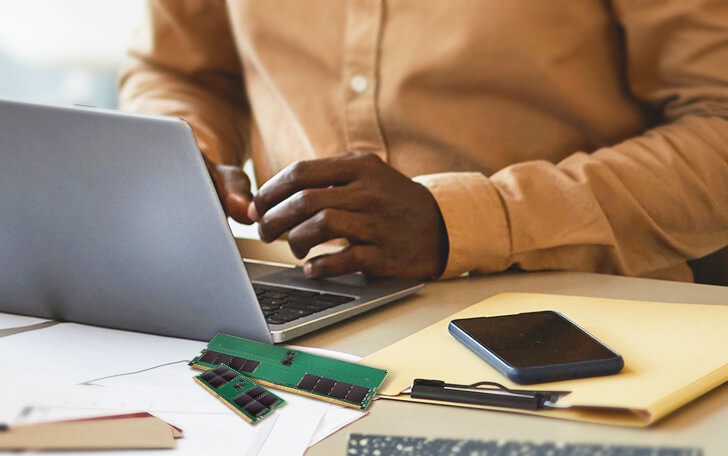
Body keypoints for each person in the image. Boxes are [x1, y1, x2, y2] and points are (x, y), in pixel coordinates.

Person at [119, 0, 728, 283]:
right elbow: (180, 70)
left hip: (578, 320)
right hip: (301, 307)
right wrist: (182, 151)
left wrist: (461, 221)